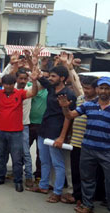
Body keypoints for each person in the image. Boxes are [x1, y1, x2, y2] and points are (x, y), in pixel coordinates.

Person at [58, 77, 110, 213]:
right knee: (87, 179)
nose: (104, 91)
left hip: (108, 151)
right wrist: (65, 107)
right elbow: (70, 116)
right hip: (88, 148)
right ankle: (87, 206)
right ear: (97, 89)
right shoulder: (88, 105)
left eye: (108, 88)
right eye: (102, 88)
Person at [0, 63, 40, 192]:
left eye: (10, 84)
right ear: (3, 84)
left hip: (16, 132)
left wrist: (34, 81)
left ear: (14, 84)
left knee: (17, 158)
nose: (7, 86)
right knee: (1, 156)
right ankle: (0, 177)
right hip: (0, 130)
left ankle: (18, 181)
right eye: (5, 84)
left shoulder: (20, 93)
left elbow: (34, 92)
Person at [28, 65, 76, 203]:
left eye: (54, 76)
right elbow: (39, 77)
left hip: (56, 132)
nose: (50, 78)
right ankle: (43, 186)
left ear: (62, 78)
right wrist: (34, 62)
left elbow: (68, 117)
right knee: (44, 161)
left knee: (58, 164)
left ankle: (57, 192)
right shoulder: (51, 88)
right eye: (50, 76)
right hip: (44, 129)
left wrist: (62, 136)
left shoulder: (69, 95)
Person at [68, 76, 98, 206]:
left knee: (87, 173)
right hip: (76, 140)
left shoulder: (98, 104)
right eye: (84, 88)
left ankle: (87, 199)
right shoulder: (80, 99)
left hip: (89, 143)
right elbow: (71, 117)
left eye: (88, 88)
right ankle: (77, 196)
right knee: (75, 170)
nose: (85, 91)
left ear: (96, 89)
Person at [15, 68, 35, 187]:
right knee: (7, 151)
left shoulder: (29, 91)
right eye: (20, 78)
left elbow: (39, 84)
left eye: (25, 79)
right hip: (11, 126)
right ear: (16, 79)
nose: (22, 81)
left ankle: (28, 176)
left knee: (26, 153)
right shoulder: (9, 90)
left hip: (24, 126)